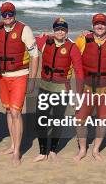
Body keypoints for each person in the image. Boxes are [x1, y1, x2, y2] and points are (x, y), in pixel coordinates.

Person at [0, 2, 39, 165]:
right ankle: (12, 144)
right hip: (3, 76)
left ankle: (17, 151)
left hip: (20, 75)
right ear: (1, 15)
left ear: (15, 14)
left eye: (10, 14)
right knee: (8, 111)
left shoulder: (25, 29)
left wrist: (32, 79)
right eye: (4, 14)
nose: (7, 17)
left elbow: (35, 56)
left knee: (16, 112)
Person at [33, 17, 84, 163]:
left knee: (57, 120)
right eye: (57, 29)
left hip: (62, 89)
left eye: (62, 29)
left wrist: (77, 95)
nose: (60, 32)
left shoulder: (72, 47)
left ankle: (53, 150)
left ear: (67, 31)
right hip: (44, 87)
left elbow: (79, 73)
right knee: (40, 119)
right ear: (53, 30)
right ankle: (43, 151)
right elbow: (29, 38)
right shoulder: (44, 42)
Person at [73, 13, 106, 162]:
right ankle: (82, 149)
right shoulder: (82, 40)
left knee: (103, 120)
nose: (100, 26)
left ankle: (95, 149)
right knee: (80, 120)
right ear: (92, 25)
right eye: (97, 24)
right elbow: (68, 51)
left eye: (103, 24)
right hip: (86, 88)